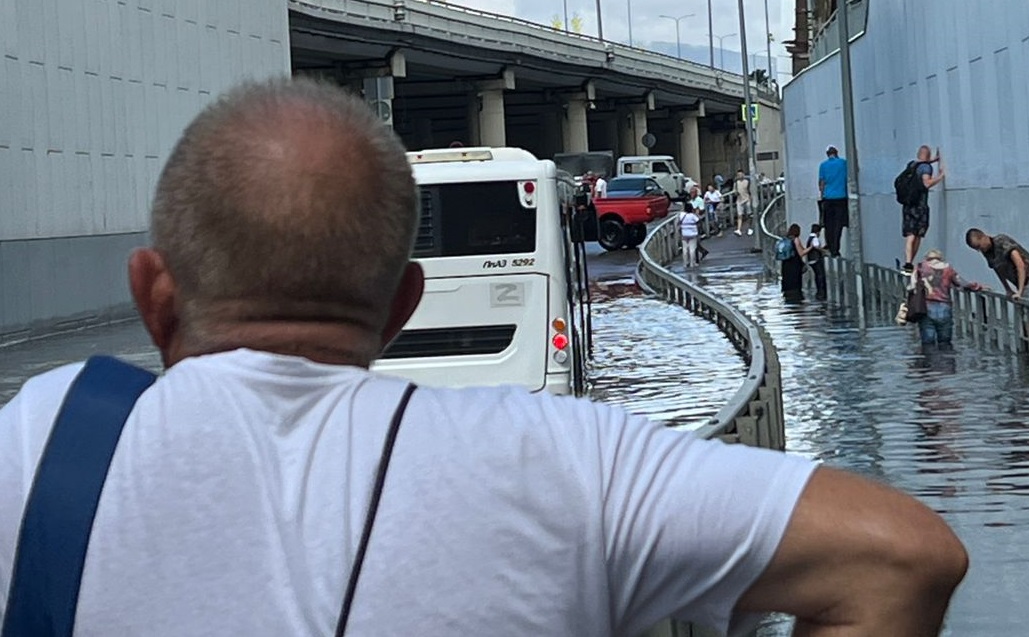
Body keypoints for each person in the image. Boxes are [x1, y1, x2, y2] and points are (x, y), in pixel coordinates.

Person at [0, 79, 967, 635]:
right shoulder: (554, 459)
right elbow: (901, 556)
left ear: (151, 295)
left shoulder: (36, 447)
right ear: (402, 303)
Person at [914, 249, 982, 348]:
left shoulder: (920, 267)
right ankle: (945, 361)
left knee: (927, 342)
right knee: (945, 341)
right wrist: (976, 286)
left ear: (927, 258)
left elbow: (911, 286)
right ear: (940, 258)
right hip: (944, 307)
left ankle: (928, 361)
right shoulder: (948, 268)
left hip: (926, 307)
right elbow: (961, 282)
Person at [964, 228, 1029, 302]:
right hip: (1023, 284)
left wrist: (1020, 292)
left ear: (983, 237)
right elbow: (997, 269)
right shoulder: (987, 252)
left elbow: (1020, 265)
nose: (980, 250)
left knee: (1028, 310)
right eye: (976, 249)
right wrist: (1008, 289)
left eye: (979, 246)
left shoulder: (1001, 241)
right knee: (1022, 312)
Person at [901, 145, 946, 272]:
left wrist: (932, 160)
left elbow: (922, 163)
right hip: (920, 206)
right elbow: (927, 183)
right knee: (918, 235)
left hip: (908, 205)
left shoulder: (911, 165)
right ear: (928, 155)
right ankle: (910, 263)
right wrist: (940, 176)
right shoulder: (926, 168)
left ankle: (908, 263)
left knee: (910, 235)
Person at [818, 145, 849, 257]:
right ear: (836, 153)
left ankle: (830, 246)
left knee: (828, 225)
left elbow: (821, 183)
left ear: (827, 154)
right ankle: (836, 248)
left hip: (828, 198)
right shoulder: (843, 163)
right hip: (841, 197)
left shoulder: (823, 165)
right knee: (838, 225)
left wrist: (822, 196)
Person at [779, 223, 812, 300]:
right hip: (794, 265)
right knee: (795, 286)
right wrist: (811, 247)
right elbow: (801, 253)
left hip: (785, 265)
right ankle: (796, 299)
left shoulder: (786, 239)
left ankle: (787, 297)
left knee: (787, 283)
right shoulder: (796, 239)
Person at [805, 223, 828, 300]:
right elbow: (816, 247)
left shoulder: (810, 238)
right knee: (820, 275)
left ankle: (819, 291)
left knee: (817, 275)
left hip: (811, 260)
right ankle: (821, 292)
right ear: (818, 232)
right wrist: (824, 251)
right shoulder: (814, 238)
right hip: (816, 259)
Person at [687, 187, 710, 262]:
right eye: (691, 193)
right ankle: (702, 252)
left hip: (697, 221)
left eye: (693, 193)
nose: (691, 194)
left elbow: (701, 210)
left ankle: (696, 258)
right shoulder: (690, 201)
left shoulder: (699, 200)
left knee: (695, 240)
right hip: (690, 221)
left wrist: (695, 210)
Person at [679, 201, 703, 268]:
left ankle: (685, 263)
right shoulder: (693, 216)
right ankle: (692, 263)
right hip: (692, 234)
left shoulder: (681, 215)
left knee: (685, 249)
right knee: (692, 249)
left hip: (684, 234)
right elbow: (698, 221)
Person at [734, 169, 753, 237]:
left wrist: (751, 199)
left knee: (748, 215)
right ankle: (738, 229)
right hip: (739, 200)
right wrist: (736, 193)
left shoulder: (747, 181)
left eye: (741, 174)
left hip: (747, 199)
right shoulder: (736, 183)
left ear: (743, 175)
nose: (739, 176)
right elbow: (735, 191)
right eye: (738, 175)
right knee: (739, 215)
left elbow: (750, 191)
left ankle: (750, 228)